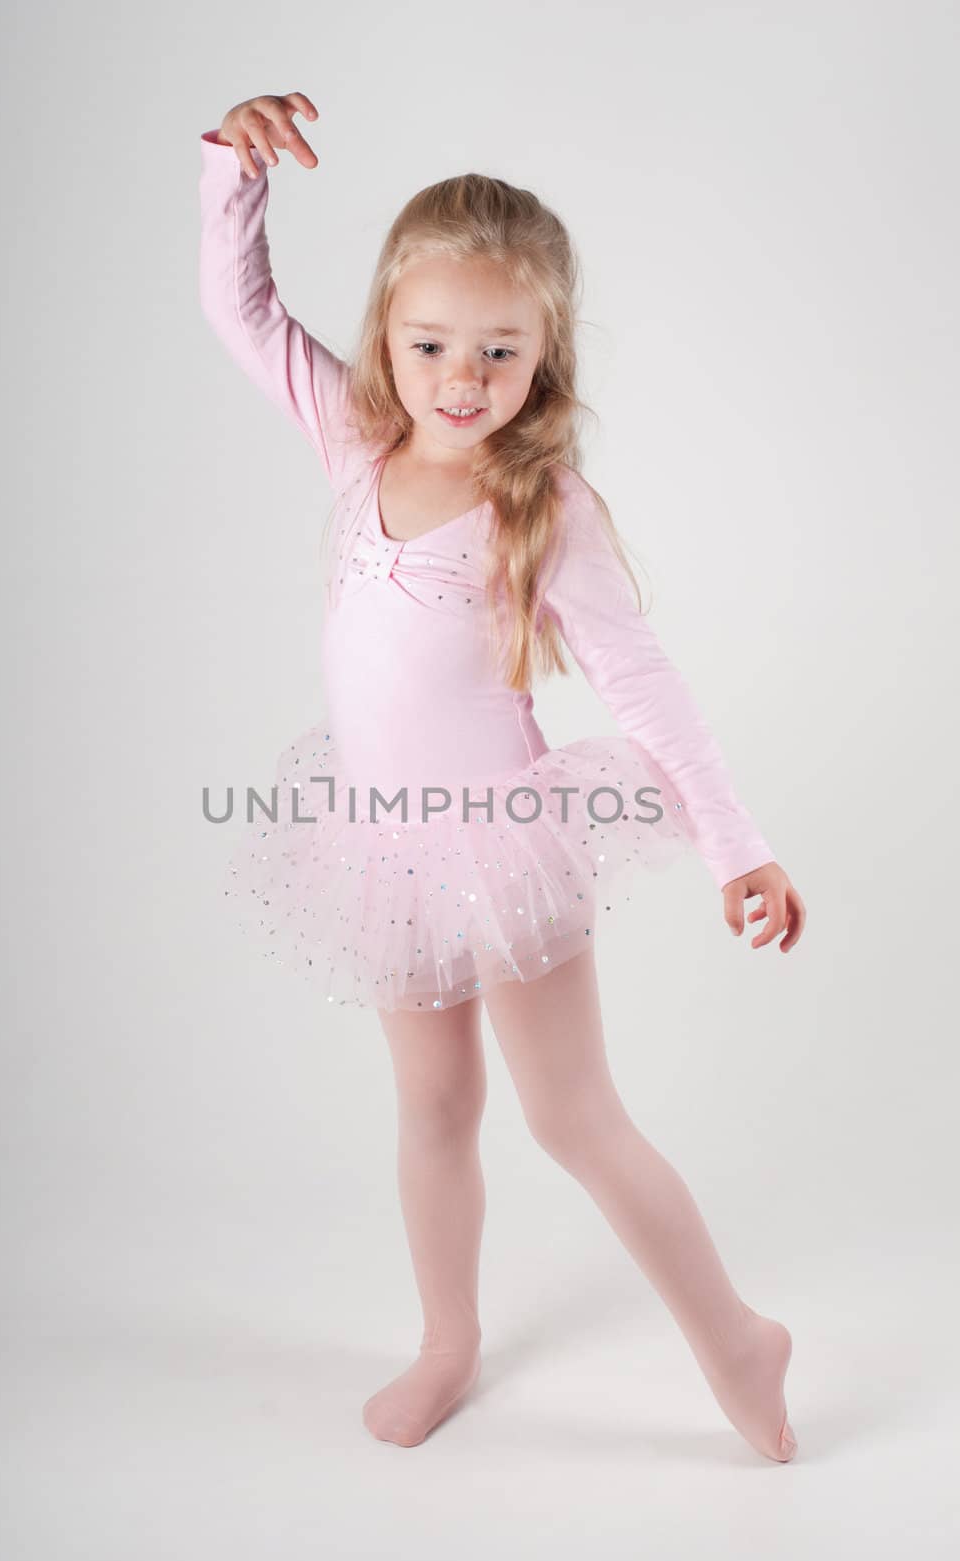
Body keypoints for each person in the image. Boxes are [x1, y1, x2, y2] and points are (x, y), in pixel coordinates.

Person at [198, 91, 807, 1463]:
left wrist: (737, 847)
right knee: (431, 1106)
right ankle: (447, 1342)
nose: (460, 378)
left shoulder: (547, 509)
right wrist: (231, 174)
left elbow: (651, 694)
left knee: (571, 1117)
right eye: (428, 345)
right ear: (385, 342)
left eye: (498, 350)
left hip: (509, 844)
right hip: (381, 848)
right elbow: (241, 314)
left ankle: (738, 1343)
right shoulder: (355, 443)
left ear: (546, 351)